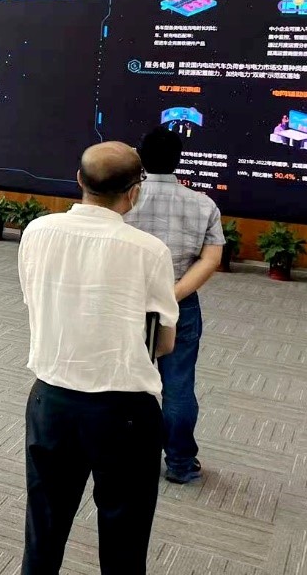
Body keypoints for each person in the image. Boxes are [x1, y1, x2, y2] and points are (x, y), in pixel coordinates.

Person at [18, 141, 179, 575]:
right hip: (124, 412)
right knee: (125, 540)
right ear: (134, 191)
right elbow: (163, 342)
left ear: (79, 180)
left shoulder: (38, 231)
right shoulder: (148, 250)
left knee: (43, 533)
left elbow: (33, 300)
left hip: (51, 402)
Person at [125, 126, 225, 484]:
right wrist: (173, 294)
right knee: (179, 385)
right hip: (181, 304)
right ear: (179, 159)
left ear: (141, 158)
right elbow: (211, 259)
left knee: (126, 381)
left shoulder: (124, 200)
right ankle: (180, 463)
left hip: (127, 301)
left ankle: (128, 458)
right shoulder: (203, 204)